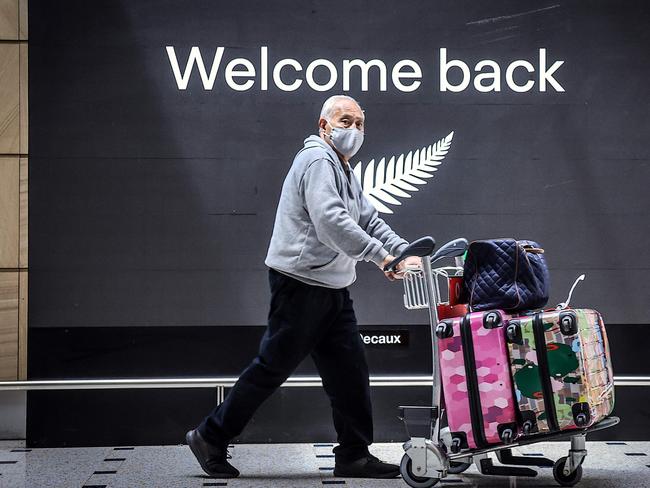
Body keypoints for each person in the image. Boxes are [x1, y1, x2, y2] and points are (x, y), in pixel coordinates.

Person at [186, 95, 419, 479]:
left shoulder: (343, 168)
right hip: (300, 283)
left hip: (332, 287)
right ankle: (210, 435)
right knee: (272, 368)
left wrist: (401, 252)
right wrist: (381, 258)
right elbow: (331, 222)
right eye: (346, 121)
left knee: (350, 372)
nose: (354, 130)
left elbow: (367, 219)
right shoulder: (316, 161)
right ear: (324, 126)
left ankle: (353, 454)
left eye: (360, 123)